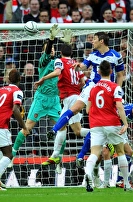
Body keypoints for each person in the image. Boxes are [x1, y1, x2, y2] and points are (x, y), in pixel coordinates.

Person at [46, 31, 125, 143]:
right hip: (92, 86)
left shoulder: (116, 56)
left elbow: (121, 75)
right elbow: (82, 67)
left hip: (108, 88)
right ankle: (54, 130)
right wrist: (78, 67)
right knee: (75, 108)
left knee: (112, 116)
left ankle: (115, 143)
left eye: (94, 39)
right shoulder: (92, 55)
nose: (92, 41)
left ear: (101, 41)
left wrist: (117, 91)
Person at [11, 24, 63, 157]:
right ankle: (13, 152)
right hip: (41, 99)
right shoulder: (43, 61)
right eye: (48, 49)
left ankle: (58, 157)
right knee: (27, 128)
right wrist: (51, 38)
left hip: (54, 100)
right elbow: (47, 52)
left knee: (63, 128)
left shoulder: (58, 61)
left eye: (52, 48)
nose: (51, 50)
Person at [76, 102, 133, 188]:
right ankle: (95, 177)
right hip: (110, 129)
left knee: (128, 152)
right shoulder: (125, 112)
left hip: (118, 131)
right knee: (102, 153)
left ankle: (119, 180)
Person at [39, 30, 87, 169]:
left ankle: (55, 155)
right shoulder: (76, 63)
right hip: (75, 97)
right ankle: (55, 156)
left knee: (61, 126)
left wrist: (43, 78)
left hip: (70, 98)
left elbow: (58, 72)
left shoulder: (59, 61)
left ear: (60, 53)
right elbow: (83, 82)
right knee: (76, 131)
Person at [83, 60, 130, 192]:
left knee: (94, 153)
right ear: (111, 71)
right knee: (120, 152)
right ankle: (126, 184)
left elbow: (87, 110)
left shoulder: (92, 88)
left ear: (98, 72)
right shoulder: (116, 87)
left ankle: (88, 174)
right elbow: (119, 106)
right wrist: (125, 123)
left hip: (96, 124)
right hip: (111, 123)